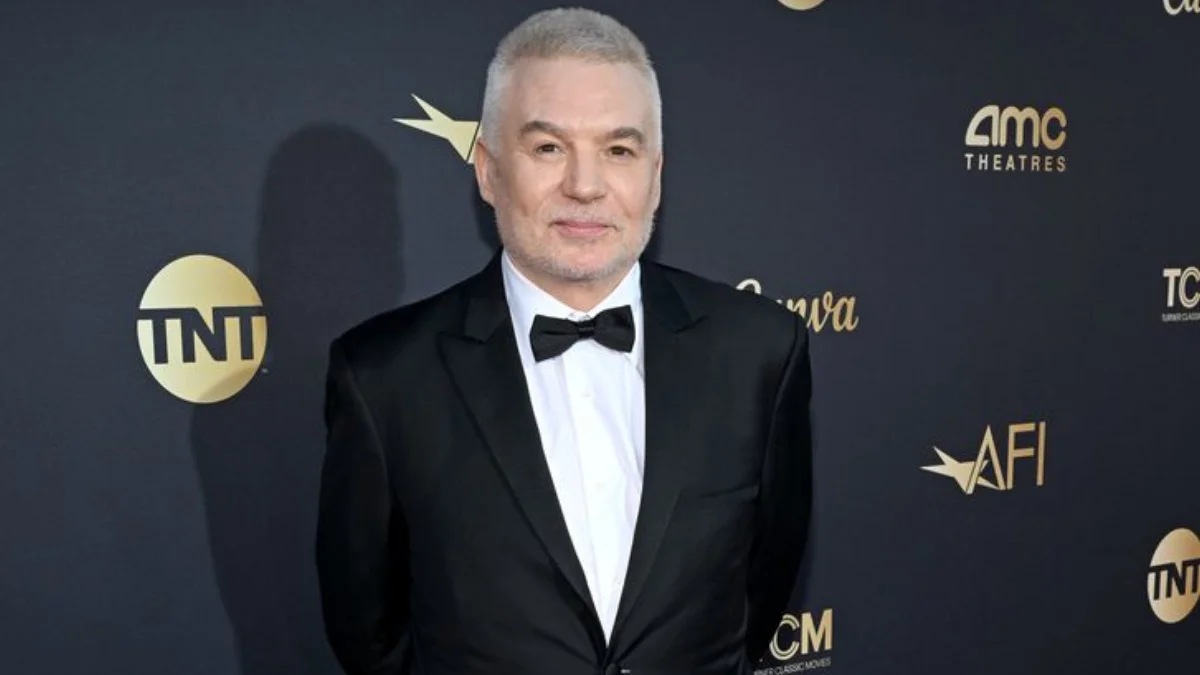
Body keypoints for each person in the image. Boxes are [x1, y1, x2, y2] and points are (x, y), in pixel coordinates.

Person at [315, 8, 812, 675]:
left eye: (619, 149)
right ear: (489, 171)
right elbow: (368, 633)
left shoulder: (760, 351)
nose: (585, 185)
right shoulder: (383, 377)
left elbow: (763, 587)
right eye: (548, 147)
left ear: (656, 175)